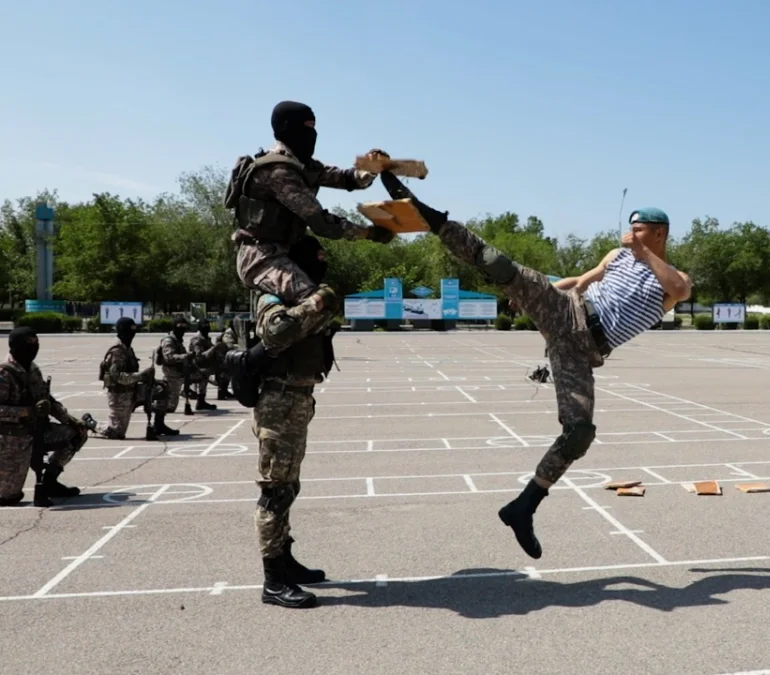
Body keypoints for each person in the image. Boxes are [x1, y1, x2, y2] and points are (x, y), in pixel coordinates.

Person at [380, 173, 691, 558]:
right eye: (629, 229)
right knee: (496, 263)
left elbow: (678, 291)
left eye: (638, 230)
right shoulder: (617, 256)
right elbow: (580, 280)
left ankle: (523, 507)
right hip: (567, 312)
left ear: (658, 234)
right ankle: (422, 211)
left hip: (583, 351)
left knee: (579, 434)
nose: (629, 236)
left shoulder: (672, 280)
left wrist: (643, 254)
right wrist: (534, 296)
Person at [221, 101, 397, 398]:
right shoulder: (278, 170)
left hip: (282, 252)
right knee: (321, 302)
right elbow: (320, 221)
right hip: (260, 257)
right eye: (307, 129)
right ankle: (250, 362)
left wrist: (370, 168)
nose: (313, 136)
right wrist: (368, 232)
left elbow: (345, 178)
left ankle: (284, 358)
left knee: (316, 307)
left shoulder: (302, 165)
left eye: (315, 129)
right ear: (288, 129)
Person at [249, 235, 339, 609]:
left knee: (289, 487)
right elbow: (277, 332)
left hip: (298, 400)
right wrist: (316, 302)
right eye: (315, 259)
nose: (321, 265)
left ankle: (285, 561)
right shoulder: (270, 294)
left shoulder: (304, 292)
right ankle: (273, 581)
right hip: (277, 402)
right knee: (275, 490)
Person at [0, 327, 93, 507]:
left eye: (36, 344)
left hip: (38, 431)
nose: (33, 350)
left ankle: (50, 480)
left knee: (76, 433)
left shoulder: (33, 370)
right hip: (12, 439)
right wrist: (28, 411)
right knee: (8, 498)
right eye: (28, 345)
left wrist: (69, 419)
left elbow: (46, 399)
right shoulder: (4, 374)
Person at [83, 317, 154, 440]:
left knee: (161, 389)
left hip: (132, 390)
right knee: (116, 433)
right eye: (129, 331)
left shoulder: (128, 349)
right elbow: (118, 378)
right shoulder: (117, 351)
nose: (132, 335)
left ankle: (157, 425)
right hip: (119, 394)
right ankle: (89, 423)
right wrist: (141, 375)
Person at [154, 315, 192, 435]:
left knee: (171, 405)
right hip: (170, 374)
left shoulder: (178, 340)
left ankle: (159, 424)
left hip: (178, 375)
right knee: (168, 404)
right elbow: (169, 357)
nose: (183, 331)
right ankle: (156, 421)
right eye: (180, 328)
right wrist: (185, 356)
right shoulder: (169, 340)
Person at [187, 321, 219, 411]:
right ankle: (199, 400)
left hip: (204, 365)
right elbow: (199, 356)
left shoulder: (206, 338)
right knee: (203, 374)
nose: (207, 329)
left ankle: (201, 401)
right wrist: (214, 348)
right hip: (195, 367)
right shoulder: (196, 339)